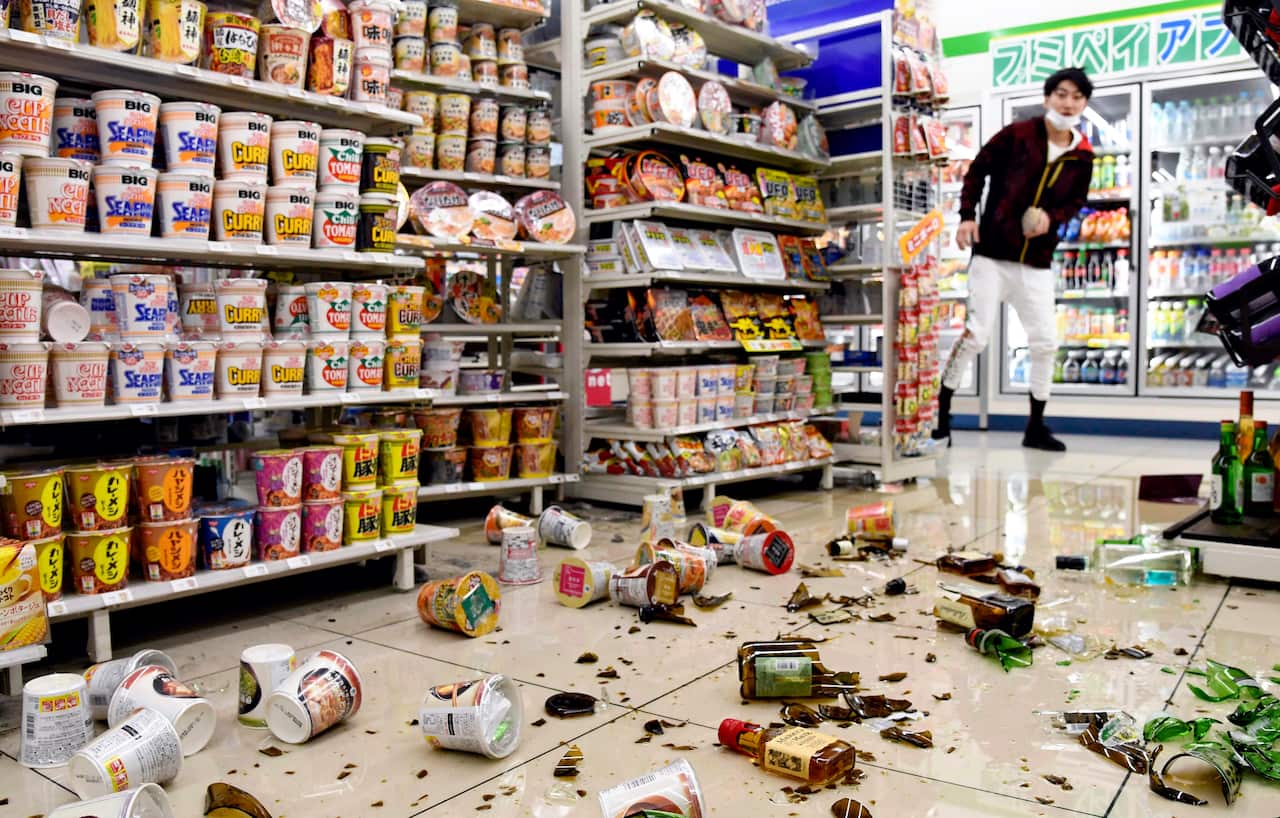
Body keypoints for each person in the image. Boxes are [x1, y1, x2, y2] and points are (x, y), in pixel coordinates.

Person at [935, 67, 1095, 452]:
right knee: (977, 336)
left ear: (1084, 104)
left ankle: (1035, 427)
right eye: (1060, 94)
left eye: (1076, 96)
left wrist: (1051, 219)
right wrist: (967, 216)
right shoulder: (1018, 135)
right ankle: (940, 418)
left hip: (1037, 262)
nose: (1067, 102)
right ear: (1047, 99)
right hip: (992, 254)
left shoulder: (1083, 155)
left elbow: (1075, 203)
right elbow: (977, 170)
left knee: (1044, 343)